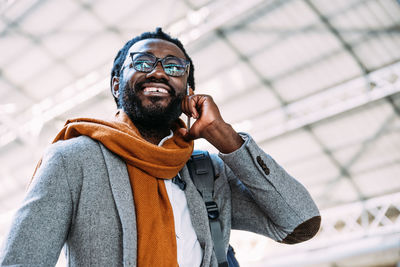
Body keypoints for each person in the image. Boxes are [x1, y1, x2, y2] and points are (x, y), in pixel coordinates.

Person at [0, 28, 321, 267]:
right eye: (142, 61)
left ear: (188, 91)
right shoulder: (73, 159)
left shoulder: (206, 171)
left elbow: (298, 222)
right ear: (116, 84)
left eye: (174, 67)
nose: (158, 71)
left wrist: (226, 138)